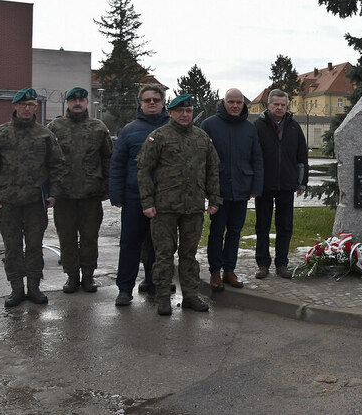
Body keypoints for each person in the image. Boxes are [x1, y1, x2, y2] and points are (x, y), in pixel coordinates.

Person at [137, 94, 222, 316]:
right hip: (164, 208)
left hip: (193, 208)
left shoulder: (202, 137)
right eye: (180, 111)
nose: (185, 115)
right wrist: (147, 202)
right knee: (164, 254)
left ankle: (191, 295)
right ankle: (163, 296)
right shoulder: (159, 137)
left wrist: (214, 199)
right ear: (171, 112)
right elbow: (144, 171)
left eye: (189, 111)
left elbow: (212, 170)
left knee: (189, 254)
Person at [0, 88, 66, 307]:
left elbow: (56, 166)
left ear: (36, 107)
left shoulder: (45, 134)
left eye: (31, 105)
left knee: (35, 246)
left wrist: (54, 194)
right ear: (15, 106)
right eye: (23, 105)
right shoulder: (0, 134)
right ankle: (16, 289)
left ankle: (35, 288)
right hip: (8, 202)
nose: (27, 109)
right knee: (12, 246)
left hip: (36, 202)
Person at [48, 87, 114, 294]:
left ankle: (88, 276)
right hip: (64, 195)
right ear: (67, 102)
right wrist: (50, 190)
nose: (77, 103)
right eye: (73, 100)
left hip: (90, 195)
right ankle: (71, 276)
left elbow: (107, 159)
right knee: (66, 237)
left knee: (89, 237)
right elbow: (47, 160)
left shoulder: (98, 127)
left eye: (81, 100)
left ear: (87, 102)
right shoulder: (55, 127)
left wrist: (107, 187)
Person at [110, 84, 170, 306]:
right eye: (147, 100)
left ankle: (153, 284)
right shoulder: (129, 130)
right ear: (141, 103)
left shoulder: (172, 128)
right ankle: (124, 289)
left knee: (158, 245)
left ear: (163, 102)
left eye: (156, 99)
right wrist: (117, 195)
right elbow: (117, 165)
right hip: (135, 198)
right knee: (130, 244)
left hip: (164, 198)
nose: (152, 103)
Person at [201, 88, 263, 291]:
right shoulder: (209, 125)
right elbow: (202, 160)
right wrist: (206, 188)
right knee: (217, 232)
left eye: (239, 102)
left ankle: (230, 270)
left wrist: (255, 186)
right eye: (231, 102)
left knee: (235, 232)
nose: (235, 105)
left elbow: (256, 158)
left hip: (242, 189)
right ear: (224, 102)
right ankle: (215, 272)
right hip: (218, 190)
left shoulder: (249, 128)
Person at [254, 89, 308, 279]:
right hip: (264, 186)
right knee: (262, 226)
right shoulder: (258, 126)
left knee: (285, 226)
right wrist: (253, 183)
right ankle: (262, 264)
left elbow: (302, 156)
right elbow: (252, 157)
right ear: (268, 105)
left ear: (287, 106)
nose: (279, 108)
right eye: (275, 104)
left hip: (286, 184)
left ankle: (282, 263)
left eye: (283, 105)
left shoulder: (294, 127)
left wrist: (302, 182)